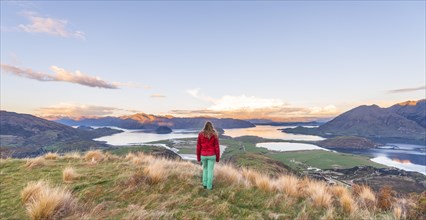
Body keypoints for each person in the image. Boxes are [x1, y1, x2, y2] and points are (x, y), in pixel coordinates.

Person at [196, 121, 220, 190]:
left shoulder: (201, 134)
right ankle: (209, 187)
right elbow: (217, 147)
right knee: (210, 171)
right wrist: (217, 158)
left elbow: (198, 147)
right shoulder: (214, 135)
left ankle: (204, 184)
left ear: (205, 126)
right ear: (212, 127)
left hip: (203, 155)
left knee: (205, 169)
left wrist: (198, 158)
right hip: (212, 155)